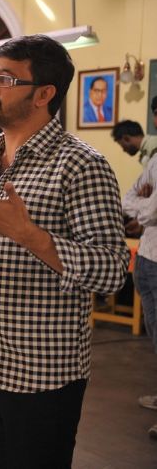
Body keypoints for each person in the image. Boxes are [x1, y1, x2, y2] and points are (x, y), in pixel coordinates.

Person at [0, 34, 129, 468]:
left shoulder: (81, 165)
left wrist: (31, 236)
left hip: (41, 376)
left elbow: (113, 270)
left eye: (5, 79)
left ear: (44, 94)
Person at [122, 150, 157, 439]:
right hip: (147, 256)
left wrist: (146, 204)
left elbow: (150, 213)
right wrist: (147, 203)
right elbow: (127, 200)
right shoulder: (156, 160)